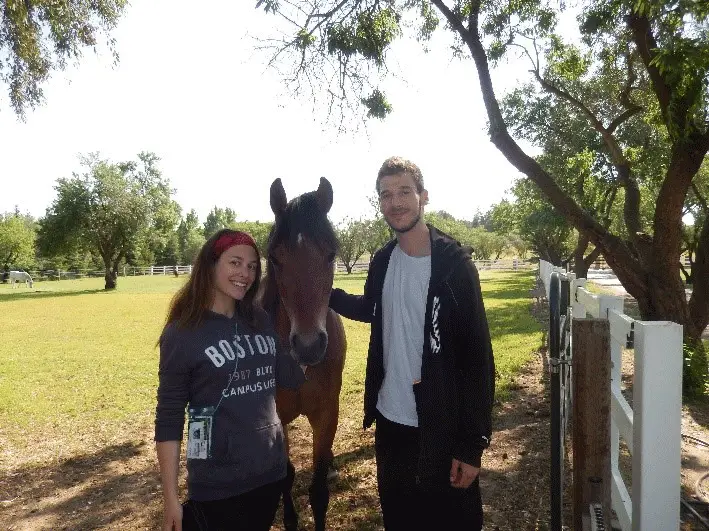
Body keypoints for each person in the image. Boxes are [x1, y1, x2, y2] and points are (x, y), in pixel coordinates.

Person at [330, 157, 495, 530]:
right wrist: (325, 293)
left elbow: (478, 360)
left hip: (443, 424)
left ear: (423, 196)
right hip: (392, 422)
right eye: (386, 195)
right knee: (400, 520)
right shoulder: (384, 259)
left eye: (404, 191)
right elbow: (372, 308)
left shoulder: (454, 265)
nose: (396, 202)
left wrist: (472, 446)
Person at [155, 229, 304, 531]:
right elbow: (169, 419)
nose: (245, 274)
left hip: (270, 474)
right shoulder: (182, 333)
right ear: (211, 265)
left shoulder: (258, 319)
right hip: (219, 483)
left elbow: (289, 375)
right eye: (235, 263)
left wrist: (307, 343)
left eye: (251, 267)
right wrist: (170, 497)